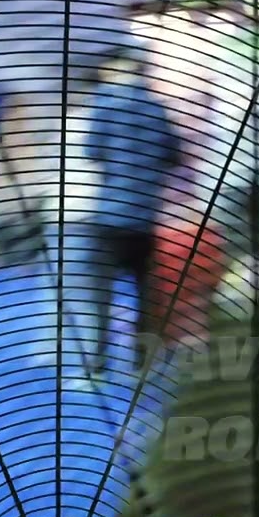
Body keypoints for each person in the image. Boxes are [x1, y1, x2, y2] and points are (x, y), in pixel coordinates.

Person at [62, 48, 182, 374]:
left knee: (100, 297)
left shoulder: (103, 104)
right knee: (146, 296)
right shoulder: (157, 108)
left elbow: (92, 150)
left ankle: (97, 366)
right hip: (145, 216)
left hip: (108, 216)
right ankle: (142, 363)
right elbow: (175, 155)